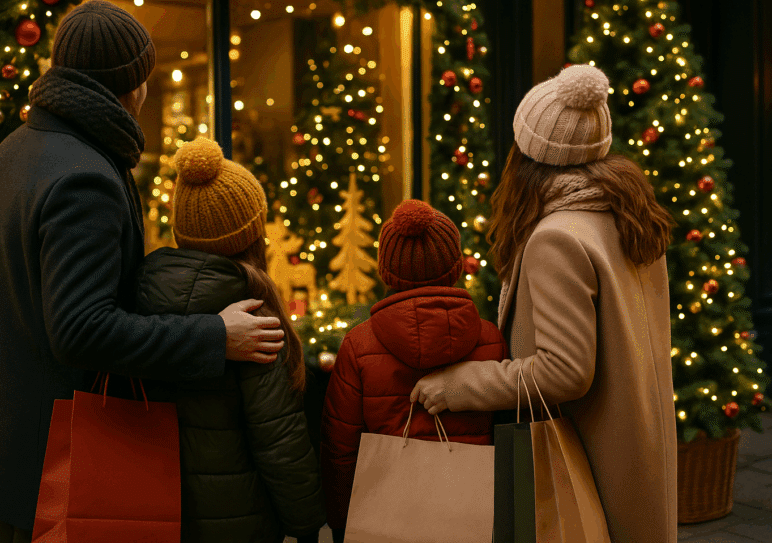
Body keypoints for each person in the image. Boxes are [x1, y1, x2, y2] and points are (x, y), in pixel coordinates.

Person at [0, 0, 284, 542]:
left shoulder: (13, 152)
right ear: (130, 83)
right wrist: (215, 335)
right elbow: (81, 330)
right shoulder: (83, 177)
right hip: (67, 465)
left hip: (14, 451)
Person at [410, 64, 677, 543]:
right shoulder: (627, 212)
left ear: (529, 155)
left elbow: (565, 371)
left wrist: (459, 385)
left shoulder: (557, 238)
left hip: (586, 462)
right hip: (638, 444)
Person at [135, 136, 326, 543]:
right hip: (241, 521)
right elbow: (280, 441)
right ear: (253, 234)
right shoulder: (250, 316)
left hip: (153, 511)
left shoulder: (141, 296)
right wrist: (308, 524)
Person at [320, 199, 508, 543]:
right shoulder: (491, 340)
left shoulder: (358, 346)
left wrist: (340, 522)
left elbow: (340, 448)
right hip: (474, 518)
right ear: (455, 266)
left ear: (386, 270)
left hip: (384, 519)